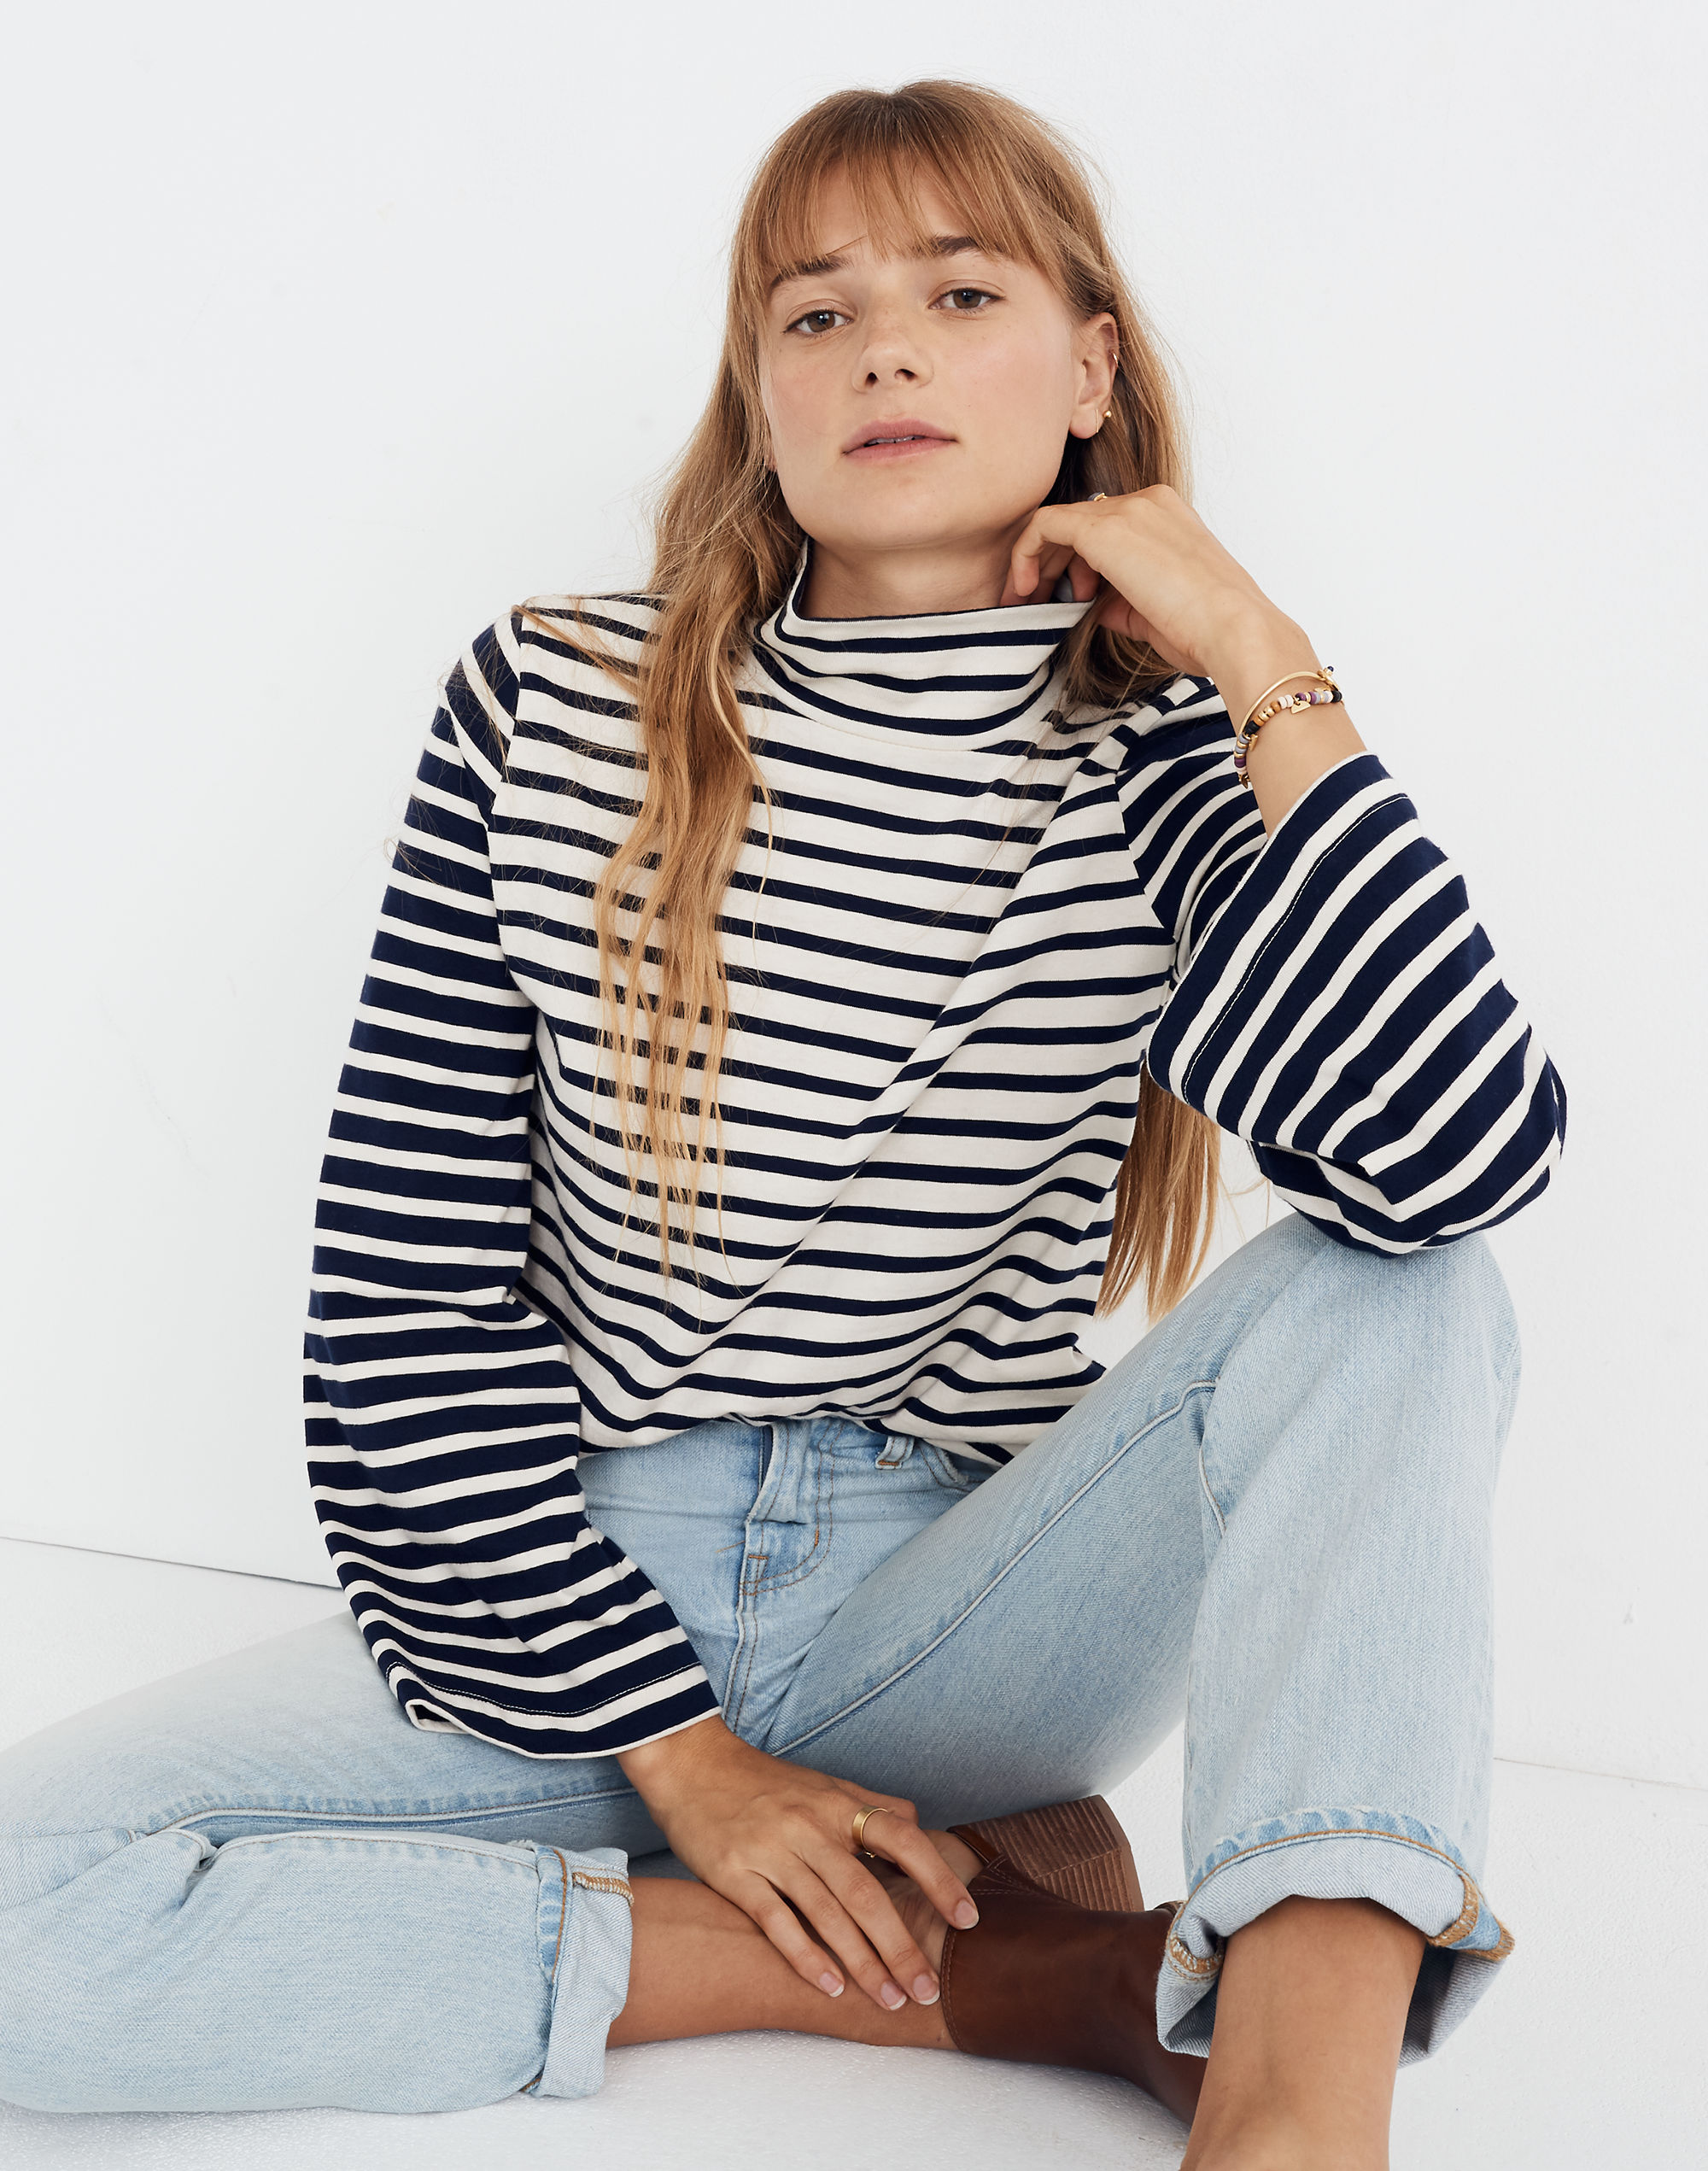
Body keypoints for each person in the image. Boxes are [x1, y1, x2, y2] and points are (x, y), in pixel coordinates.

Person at [0, 79, 1564, 2169]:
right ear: (763, 394)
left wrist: (1267, 666)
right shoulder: (553, 704)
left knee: (1407, 1292)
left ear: (1091, 370)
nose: (883, 348)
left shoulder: (1167, 765)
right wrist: (686, 1760)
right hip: (575, 1585)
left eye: (961, 292)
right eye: (815, 313)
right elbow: (403, 1308)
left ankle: (1291, 2102)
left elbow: (1456, 1164)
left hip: (970, 1602)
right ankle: (1021, 1971)